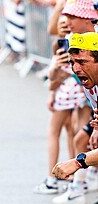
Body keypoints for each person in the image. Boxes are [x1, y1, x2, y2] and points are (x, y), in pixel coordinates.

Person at [51, 31, 98, 204]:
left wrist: (79, 162)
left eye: (82, 62)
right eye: (72, 62)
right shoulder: (90, 82)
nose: (76, 68)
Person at [33, 15, 87, 194]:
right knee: (76, 132)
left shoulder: (64, 46)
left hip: (66, 91)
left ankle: (52, 179)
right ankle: (76, 177)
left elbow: (54, 78)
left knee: (54, 132)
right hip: (80, 91)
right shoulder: (83, 41)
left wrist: (52, 90)